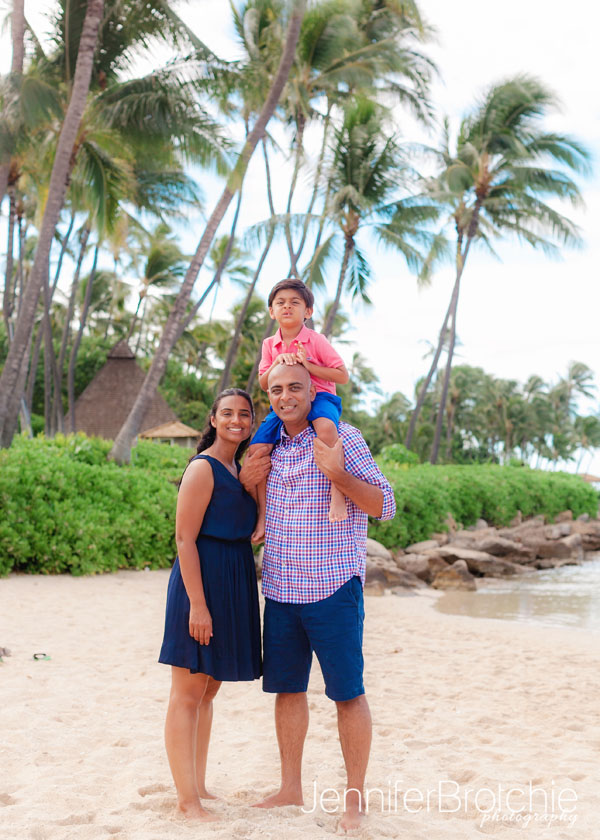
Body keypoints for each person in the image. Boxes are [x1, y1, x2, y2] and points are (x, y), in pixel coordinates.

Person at [240, 363, 396, 832]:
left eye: (295, 388)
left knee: (347, 694)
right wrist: (248, 482)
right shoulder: (268, 448)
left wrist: (340, 476)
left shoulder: (342, 438)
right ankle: (291, 788)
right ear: (270, 397)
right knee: (286, 690)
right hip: (282, 589)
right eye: (277, 390)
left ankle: (355, 799)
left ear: (314, 392)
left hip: (333, 588)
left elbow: (385, 505)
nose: (286, 396)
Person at [158, 389, 262, 821]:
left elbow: (256, 531)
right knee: (187, 692)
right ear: (213, 420)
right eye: (228, 414)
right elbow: (184, 539)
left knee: (208, 688)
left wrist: (252, 485)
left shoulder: (238, 470)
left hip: (234, 583)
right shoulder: (202, 468)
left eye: (244, 414)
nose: (236, 420)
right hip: (199, 585)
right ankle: (186, 801)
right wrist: (197, 607)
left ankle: (197, 786)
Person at [248, 278, 350, 543]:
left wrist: (309, 366)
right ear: (272, 311)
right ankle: (262, 514)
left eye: (295, 303)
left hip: (321, 398)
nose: (287, 307)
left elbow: (342, 375)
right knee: (257, 448)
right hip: (284, 403)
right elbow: (262, 382)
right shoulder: (270, 345)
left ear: (308, 311)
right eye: (280, 303)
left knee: (326, 428)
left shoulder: (316, 340)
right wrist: (276, 364)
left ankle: (338, 491)